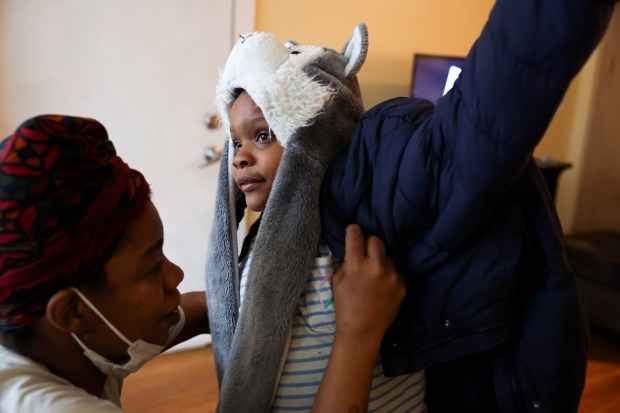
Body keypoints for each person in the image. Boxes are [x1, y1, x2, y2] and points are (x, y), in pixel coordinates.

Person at [205, 0, 617, 412]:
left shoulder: (368, 205)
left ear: (314, 129)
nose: (240, 157)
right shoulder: (263, 238)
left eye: (263, 135)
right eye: (236, 141)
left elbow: (483, 118)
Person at [0, 115, 406, 413]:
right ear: (72, 312)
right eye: (149, 267)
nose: (175, 275)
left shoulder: (49, 338)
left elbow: (200, 309)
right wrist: (357, 334)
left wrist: (277, 292)